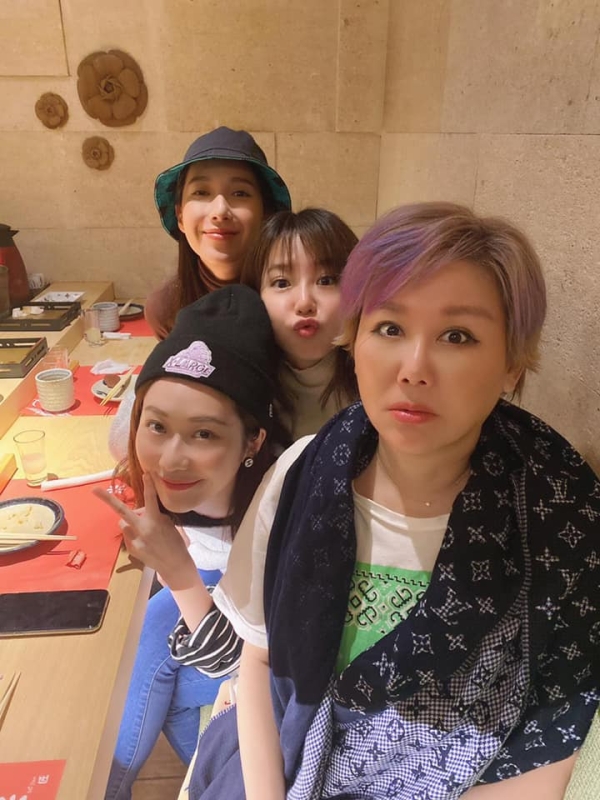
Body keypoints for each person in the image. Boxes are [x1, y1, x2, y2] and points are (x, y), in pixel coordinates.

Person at [190, 202, 600, 800]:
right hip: (283, 764)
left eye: (457, 336)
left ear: (512, 364)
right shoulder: (303, 475)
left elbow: (548, 743)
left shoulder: (559, 516)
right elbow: (258, 662)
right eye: (389, 328)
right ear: (353, 341)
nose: (414, 368)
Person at [95, 285, 279, 800]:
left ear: (254, 440)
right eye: (156, 426)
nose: (172, 459)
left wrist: (177, 572)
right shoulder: (169, 496)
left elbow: (247, 671)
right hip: (221, 654)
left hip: (267, 694)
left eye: (204, 434)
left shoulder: (279, 511)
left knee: (154, 633)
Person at [146, 126, 291, 339]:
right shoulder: (166, 309)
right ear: (180, 216)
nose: (220, 211)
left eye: (240, 193)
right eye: (201, 192)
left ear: (266, 214)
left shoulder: (294, 299)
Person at [242, 208, 358, 442]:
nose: (304, 302)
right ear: (255, 295)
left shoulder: (378, 379)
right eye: (282, 283)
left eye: (326, 280)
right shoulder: (241, 383)